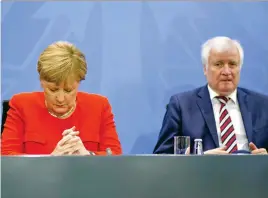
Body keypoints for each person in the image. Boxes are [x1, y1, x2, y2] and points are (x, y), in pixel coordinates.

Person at [1, 41, 122, 156]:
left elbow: (115, 156)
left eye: (68, 90)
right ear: (41, 82)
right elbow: (6, 158)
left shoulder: (99, 106)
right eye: (53, 90)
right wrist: (52, 160)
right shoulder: (21, 105)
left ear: (79, 82)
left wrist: (87, 156)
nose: (60, 98)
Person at [153, 36, 268, 155]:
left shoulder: (262, 105)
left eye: (233, 64)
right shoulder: (182, 106)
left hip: (251, 173)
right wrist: (201, 161)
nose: (226, 72)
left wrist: (264, 160)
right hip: (200, 173)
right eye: (218, 64)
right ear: (205, 69)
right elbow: (161, 157)